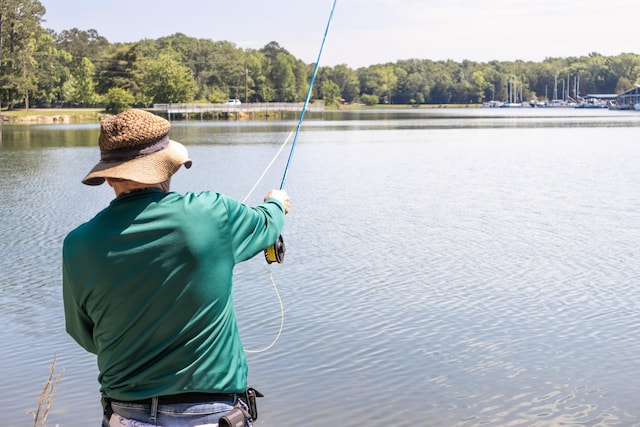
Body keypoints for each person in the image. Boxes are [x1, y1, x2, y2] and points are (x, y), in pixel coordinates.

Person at [62, 109, 290, 427]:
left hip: (124, 416)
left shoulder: (78, 244)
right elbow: (267, 223)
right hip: (212, 415)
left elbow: (86, 337)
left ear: (109, 176)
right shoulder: (211, 212)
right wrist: (277, 202)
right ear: (169, 166)